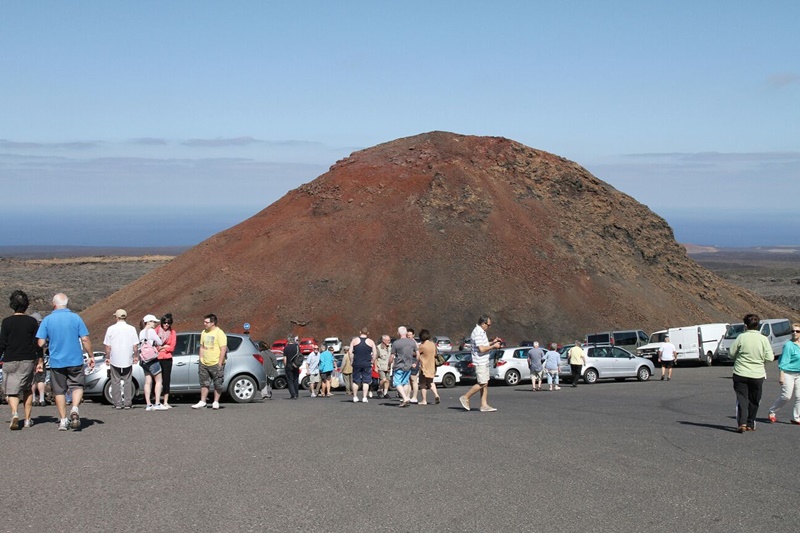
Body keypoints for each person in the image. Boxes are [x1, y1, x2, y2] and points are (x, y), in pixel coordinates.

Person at [35, 293, 94, 430]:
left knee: (59, 391)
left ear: (54, 304)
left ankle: (63, 420)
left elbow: (41, 342)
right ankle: (74, 408)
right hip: (75, 359)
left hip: (57, 361)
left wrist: (47, 345)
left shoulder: (47, 320)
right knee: (77, 386)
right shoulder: (75, 318)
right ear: (66, 303)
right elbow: (85, 339)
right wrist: (90, 355)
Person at [0, 290, 44, 430]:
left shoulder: (6, 322)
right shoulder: (32, 322)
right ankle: (27, 419)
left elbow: (2, 343)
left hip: (10, 359)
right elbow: (36, 343)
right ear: (26, 305)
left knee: (11, 391)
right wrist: (40, 359)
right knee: (27, 389)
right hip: (28, 359)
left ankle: (14, 413)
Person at [729, 313, 774, 432]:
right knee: (754, 399)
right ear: (757, 325)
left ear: (745, 325)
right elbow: (770, 357)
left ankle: (742, 423)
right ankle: (750, 423)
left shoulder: (741, 337)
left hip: (740, 372)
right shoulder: (763, 339)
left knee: (742, 398)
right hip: (757, 374)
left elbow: (731, 353)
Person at [459, 316, 502, 412]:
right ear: (483, 324)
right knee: (482, 383)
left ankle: (484, 405)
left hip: (484, 360)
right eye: (488, 325)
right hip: (480, 361)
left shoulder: (481, 332)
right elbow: (481, 349)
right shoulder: (477, 332)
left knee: (485, 383)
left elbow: (484, 345)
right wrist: (494, 346)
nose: (489, 327)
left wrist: (492, 342)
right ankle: (466, 397)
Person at [102, 309, 140, 410]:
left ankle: (117, 403)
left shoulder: (111, 329)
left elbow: (107, 346)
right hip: (127, 358)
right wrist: (136, 356)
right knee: (128, 380)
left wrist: (107, 357)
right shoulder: (131, 329)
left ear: (117, 317)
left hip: (115, 358)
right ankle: (128, 403)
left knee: (115, 381)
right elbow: (135, 345)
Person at [192, 314, 228, 409]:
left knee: (218, 383)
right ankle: (203, 401)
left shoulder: (219, 333)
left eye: (207, 322)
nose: (204, 324)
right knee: (204, 383)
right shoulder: (204, 332)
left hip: (216, 363)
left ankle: (216, 401)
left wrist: (219, 363)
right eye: (204, 322)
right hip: (204, 363)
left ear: (213, 323)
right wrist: (201, 359)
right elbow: (202, 346)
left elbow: (223, 349)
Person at [768, 323, 800, 424]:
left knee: (799, 397)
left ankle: (797, 417)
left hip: (799, 374)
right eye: (792, 331)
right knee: (786, 396)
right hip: (788, 373)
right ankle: (772, 411)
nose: (794, 333)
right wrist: (781, 376)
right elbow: (783, 362)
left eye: (797, 331)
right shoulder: (788, 345)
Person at [139, 314, 165, 411]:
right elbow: (160, 342)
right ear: (148, 322)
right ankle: (157, 403)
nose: (155, 324)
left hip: (144, 360)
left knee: (147, 382)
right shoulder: (151, 331)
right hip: (152, 359)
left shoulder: (141, 332)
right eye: (153, 322)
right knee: (158, 381)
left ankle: (148, 404)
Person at [390, 326, 418, 407]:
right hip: (408, 365)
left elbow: (392, 356)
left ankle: (405, 398)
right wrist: (416, 362)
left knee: (397, 382)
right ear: (406, 333)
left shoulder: (396, 343)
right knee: (405, 382)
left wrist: (389, 363)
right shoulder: (412, 342)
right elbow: (418, 354)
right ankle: (406, 397)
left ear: (398, 333)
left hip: (399, 365)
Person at [349, 327, 376, 403]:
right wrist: (372, 361)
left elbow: (350, 352)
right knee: (366, 381)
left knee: (355, 380)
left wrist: (351, 361)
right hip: (367, 363)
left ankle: (355, 396)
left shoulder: (354, 341)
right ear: (368, 333)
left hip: (356, 363)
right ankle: (364, 397)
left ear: (360, 332)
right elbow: (375, 353)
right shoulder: (371, 342)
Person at [155, 313, 177, 408]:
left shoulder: (172, 332)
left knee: (166, 380)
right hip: (157, 358)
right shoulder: (156, 331)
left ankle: (165, 401)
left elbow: (172, 347)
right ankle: (156, 400)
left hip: (167, 359)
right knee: (156, 380)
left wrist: (164, 348)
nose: (166, 324)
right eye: (165, 322)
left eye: (168, 323)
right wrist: (162, 347)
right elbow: (153, 344)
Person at [29, 312, 48, 407]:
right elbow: (45, 344)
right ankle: (41, 399)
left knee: (32, 379)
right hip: (39, 356)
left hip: (29, 357)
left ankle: (32, 399)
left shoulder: (27, 331)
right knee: (41, 378)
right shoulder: (41, 331)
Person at [417, 329, 440, 405]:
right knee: (431, 382)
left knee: (422, 383)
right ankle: (436, 395)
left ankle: (424, 400)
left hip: (424, 367)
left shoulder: (422, 346)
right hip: (432, 366)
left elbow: (416, 353)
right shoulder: (433, 344)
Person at [283, 335, 302, 400]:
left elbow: (285, 358)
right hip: (296, 365)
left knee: (290, 380)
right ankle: (296, 394)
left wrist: (285, 365)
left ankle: (293, 394)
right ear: (293, 340)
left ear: (288, 340)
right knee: (296, 380)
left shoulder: (286, 348)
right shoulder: (297, 347)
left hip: (289, 365)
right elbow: (299, 356)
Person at [406, 327, 420, 403]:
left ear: (413, 335)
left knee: (414, 380)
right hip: (407, 363)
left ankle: (414, 397)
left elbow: (418, 354)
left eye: (410, 335)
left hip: (414, 362)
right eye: (407, 335)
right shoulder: (406, 342)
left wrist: (416, 363)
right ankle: (407, 396)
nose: (409, 336)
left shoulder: (415, 343)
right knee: (407, 380)